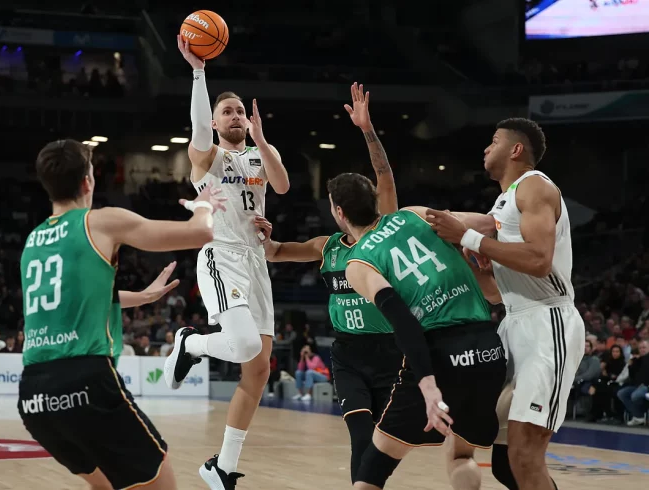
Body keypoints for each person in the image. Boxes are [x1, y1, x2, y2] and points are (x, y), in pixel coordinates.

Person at [17, 139, 226, 490]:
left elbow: (76, 299)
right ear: (88, 181)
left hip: (33, 395)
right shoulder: (100, 221)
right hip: (85, 382)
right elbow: (200, 232)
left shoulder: (33, 240)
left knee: (107, 486)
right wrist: (202, 205)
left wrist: (143, 296)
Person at [426, 117, 585, 490]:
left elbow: (539, 260)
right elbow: (495, 292)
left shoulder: (534, 187)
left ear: (516, 150)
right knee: (503, 462)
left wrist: (468, 236)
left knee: (524, 455)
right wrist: (464, 251)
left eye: (493, 140)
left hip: (549, 323)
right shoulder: (501, 207)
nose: (485, 147)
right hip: (513, 322)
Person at [256, 82, 404, 484]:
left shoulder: (385, 233)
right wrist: (262, 235)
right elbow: (277, 252)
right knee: (361, 438)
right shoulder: (327, 246)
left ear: (339, 210)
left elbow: (385, 174)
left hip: (391, 352)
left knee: (381, 441)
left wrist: (367, 129)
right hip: (347, 355)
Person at [323, 173, 507, 490]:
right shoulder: (415, 213)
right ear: (374, 201)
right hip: (487, 347)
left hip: (440, 353)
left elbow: (402, 319)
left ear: (339, 212)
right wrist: (478, 253)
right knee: (461, 453)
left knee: (371, 468)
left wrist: (428, 384)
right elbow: (490, 223)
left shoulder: (358, 261)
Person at [166, 36, 290, 490]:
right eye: (228, 112)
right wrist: (199, 73)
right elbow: (198, 133)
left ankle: (222, 466)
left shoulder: (259, 154)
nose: (236, 116)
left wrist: (262, 139)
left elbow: (281, 186)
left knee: (258, 368)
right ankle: (191, 344)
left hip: (257, 263)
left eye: (240, 110)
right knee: (241, 347)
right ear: (216, 123)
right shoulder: (207, 159)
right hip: (221, 256)